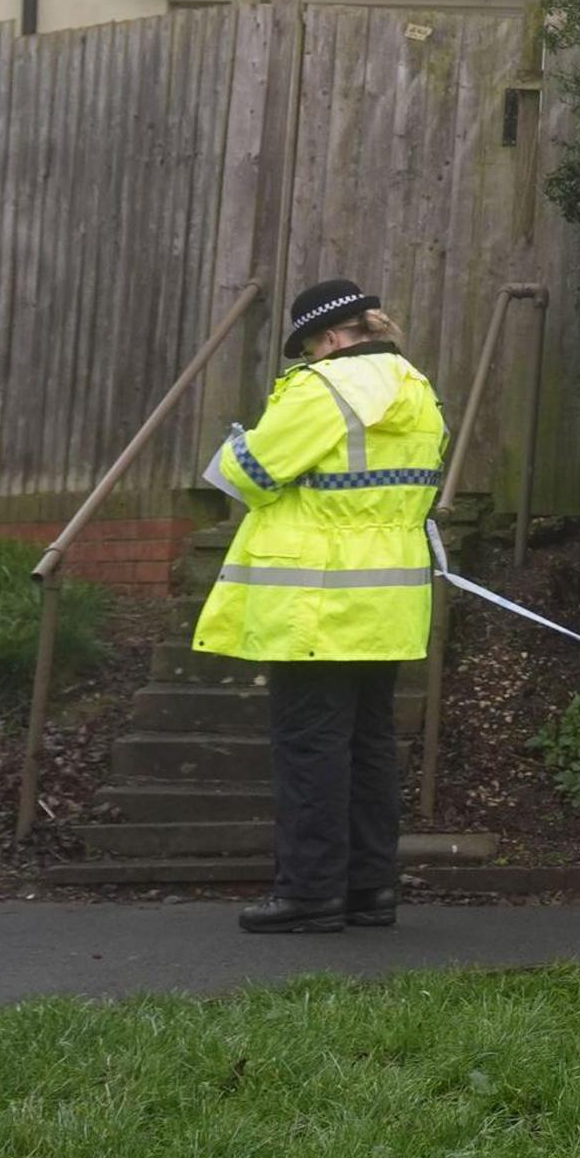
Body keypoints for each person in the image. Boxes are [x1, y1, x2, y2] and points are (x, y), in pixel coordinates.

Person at [197, 279, 448, 934]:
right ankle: (370, 889)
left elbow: (240, 472)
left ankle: (309, 894)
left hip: (315, 602)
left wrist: (241, 440)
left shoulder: (319, 390)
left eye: (309, 346)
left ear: (332, 337)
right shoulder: (419, 390)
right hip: (389, 603)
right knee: (369, 747)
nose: (307, 359)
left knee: (311, 748)